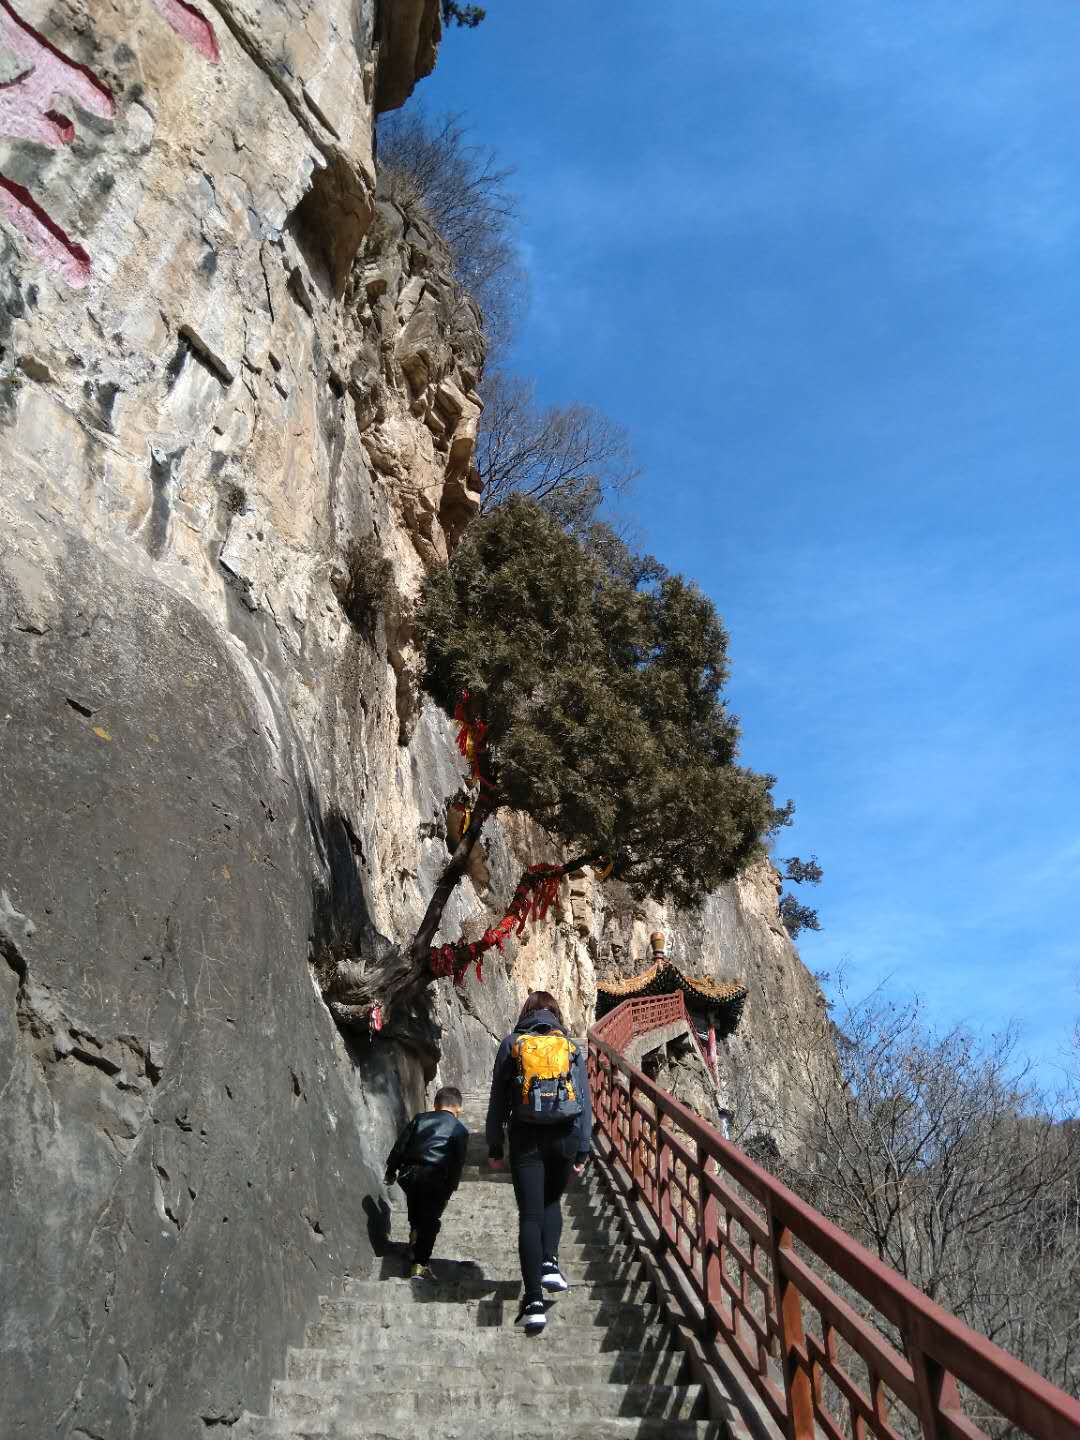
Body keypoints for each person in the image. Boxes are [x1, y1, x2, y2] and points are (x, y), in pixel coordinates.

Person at [486, 992, 592, 1333]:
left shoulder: (511, 1044)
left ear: (525, 1013)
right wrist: (583, 1150)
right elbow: (585, 1103)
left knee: (530, 1216)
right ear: (556, 1014)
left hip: (525, 1137)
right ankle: (550, 1261)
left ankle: (533, 1302)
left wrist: (493, 1148)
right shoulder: (571, 1048)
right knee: (551, 1202)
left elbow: (498, 1101)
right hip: (565, 1136)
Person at [384, 1084, 469, 1279]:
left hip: (410, 1174)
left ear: (435, 1105)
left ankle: (414, 1234)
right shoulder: (460, 1130)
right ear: (459, 1108)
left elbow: (400, 1146)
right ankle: (420, 1264)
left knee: (416, 1207)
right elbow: (457, 1163)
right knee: (431, 1220)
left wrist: (391, 1171)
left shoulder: (420, 1119)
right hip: (436, 1177)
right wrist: (451, 1188)